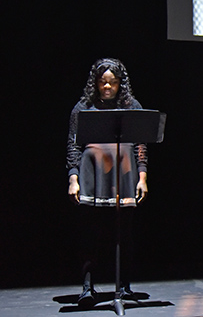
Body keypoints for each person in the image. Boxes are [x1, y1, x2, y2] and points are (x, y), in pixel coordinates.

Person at [66, 58, 148, 307]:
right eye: (103, 82)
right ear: (96, 83)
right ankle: (87, 288)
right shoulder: (83, 107)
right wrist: (73, 178)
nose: (108, 87)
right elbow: (73, 145)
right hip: (93, 176)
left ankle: (123, 288)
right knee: (91, 234)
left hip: (123, 176)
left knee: (124, 235)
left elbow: (140, 145)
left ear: (120, 83)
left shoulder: (131, 105)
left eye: (113, 82)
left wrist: (142, 177)